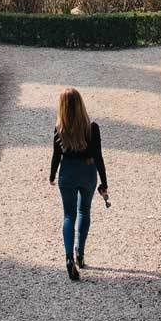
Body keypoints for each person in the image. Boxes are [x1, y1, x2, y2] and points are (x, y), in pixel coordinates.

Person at [48, 87, 110, 280]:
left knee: (68, 215)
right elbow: (98, 157)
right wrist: (104, 182)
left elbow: (56, 156)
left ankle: (68, 258)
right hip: (87, 172)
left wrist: (51, 175)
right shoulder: (92, 128)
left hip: (67, 172)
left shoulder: (60, 128)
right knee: (84, 211)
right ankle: (80, 253)